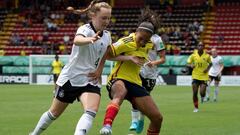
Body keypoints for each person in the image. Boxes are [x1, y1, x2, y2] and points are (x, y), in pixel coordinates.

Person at [29, 1, 112, 135]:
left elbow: (105, 53)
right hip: (72, 78)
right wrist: (90, 39)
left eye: (109, 17)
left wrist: (99, 70)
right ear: (93, 15)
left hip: (90, 79)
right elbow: (77, 40)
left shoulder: (107, 35)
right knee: (54, 113)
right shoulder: (84, 29)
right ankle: (34, 134)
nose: (107, 21)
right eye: (104, 18)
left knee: (91, 110)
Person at [89, 22, 163, 135]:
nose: (143, 42)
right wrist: (129, 57)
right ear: (136, 32)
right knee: (120, 92)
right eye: (141, 38)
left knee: (157, 118)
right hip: (118, 78)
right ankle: (107, 127)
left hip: (135, 82)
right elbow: (107, 54)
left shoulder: (149, 44)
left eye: (146, 39)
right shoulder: (126, 41)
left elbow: (145, 54)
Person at [128, 7, 166, 134]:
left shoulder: (157, 39)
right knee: (134, 97)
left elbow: (163, 59)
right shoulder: (137, 35)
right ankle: (134, 121)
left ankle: (141, 119)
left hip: (150, 74)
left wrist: (153, 63)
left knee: (144, 100)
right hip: (137, 71)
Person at [187, 42, 212, 112]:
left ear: (203, 47)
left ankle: (203, 97)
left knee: (202, 93)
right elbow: (188, 63)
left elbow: (210, 63)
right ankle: (196, 107)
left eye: (201, 45)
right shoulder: (193, 55)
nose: (200, 46)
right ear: (197, 46)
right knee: (194, 93)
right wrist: (191, 65)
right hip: (195, 75)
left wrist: (207, 69)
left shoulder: (207, 56)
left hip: (204, 76)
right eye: (199, 45)